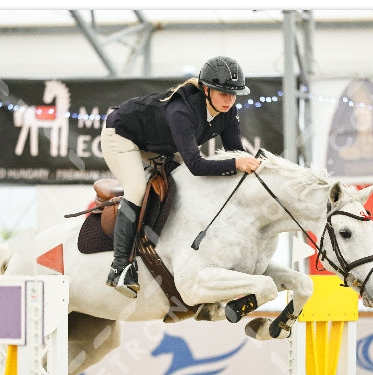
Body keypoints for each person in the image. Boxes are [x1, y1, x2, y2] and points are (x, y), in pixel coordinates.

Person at [101, 55, 262, 298]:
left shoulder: (228, 111)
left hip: (157, 144)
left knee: (185, 186)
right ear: (207, 89)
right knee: (136, 189)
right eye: (223, 93)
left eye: (234, 94)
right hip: (121, 135)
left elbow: (234, 152)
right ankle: (119, 267)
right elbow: (197, 165)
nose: (229, 100)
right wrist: (237, 163)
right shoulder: (181, 111)